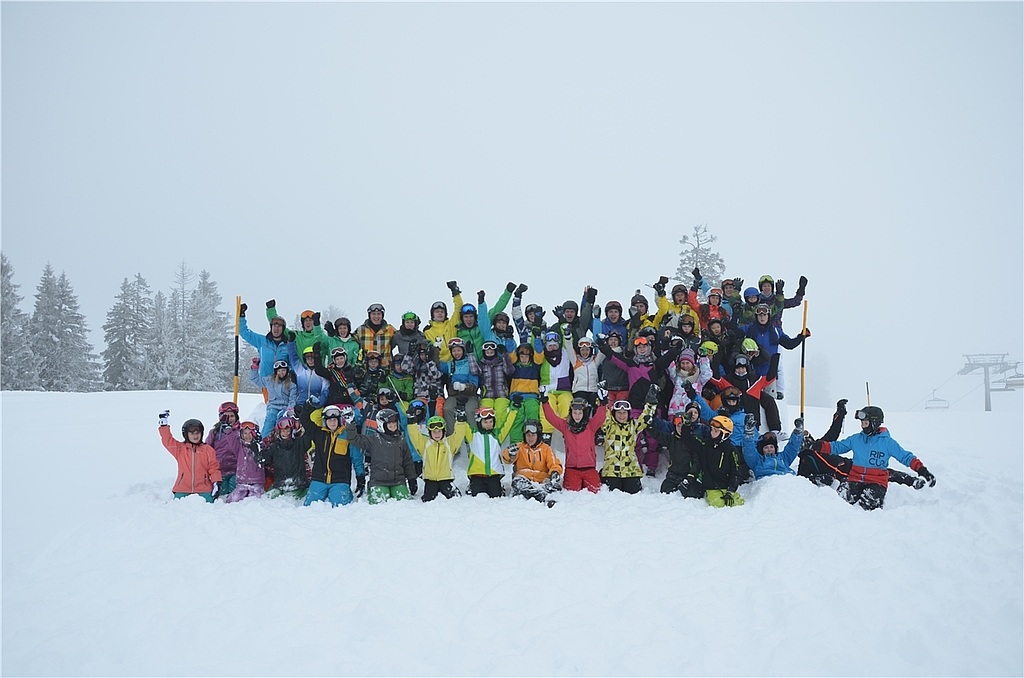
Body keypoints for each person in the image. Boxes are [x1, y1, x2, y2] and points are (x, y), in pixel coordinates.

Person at [811, 405, 936, 510]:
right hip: (855, 479)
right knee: (840, 503)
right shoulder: (856, 439)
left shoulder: (887, 443)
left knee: (864, 508)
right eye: (862, 423)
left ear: (874, 423)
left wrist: (922, 470)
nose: (862, 426)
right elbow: (838, 447)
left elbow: (905, 457)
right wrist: (820, 446)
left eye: (865, 423)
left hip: (877, 483)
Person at [300, 403, 365, 507]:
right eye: (330, 420)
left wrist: (360, 477)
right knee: (309, 507)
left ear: (339, 420)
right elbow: (304, 420)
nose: (332, 422)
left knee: (341, 508)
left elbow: (356, 458)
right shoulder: (319, 433)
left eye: (335, 419)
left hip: (340, 480)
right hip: (319, 479)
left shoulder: (348, 435)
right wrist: (309, 405)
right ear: (325, 421)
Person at [346, 409, 418, 504]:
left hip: (398, 481)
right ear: (382, 425)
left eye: (394, 424)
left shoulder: (401, 440)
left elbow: (407, 461)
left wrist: (411, 478)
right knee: (379, 504)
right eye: (390, 424)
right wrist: (351, 424)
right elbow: (354, 439)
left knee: (405, 503)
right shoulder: (374, 439)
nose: (393, 426)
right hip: (378, 482)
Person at [599, 386, 659, 494]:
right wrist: (603, 401)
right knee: (613, 493)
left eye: (624, 413)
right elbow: (603, 414)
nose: (621, 415)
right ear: (614, 414)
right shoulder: (609, 426)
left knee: (633, 493)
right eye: (619, 413)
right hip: (612, 470)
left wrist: (651, 403)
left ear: (628, 413)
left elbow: (644, 418)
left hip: (630, 470)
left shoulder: (634, 426)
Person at [543, 395, 607, 493]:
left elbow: (600, 417)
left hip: (589, 468)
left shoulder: (591, 425)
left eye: (580, 413)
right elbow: (551, 418)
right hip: (572, 469)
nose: (577, 415)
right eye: (575, 413)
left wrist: (603, 404)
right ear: (571, 412)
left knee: (595, 492)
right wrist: (545, 403)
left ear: (584, 413)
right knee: (571, 494)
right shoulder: (565, 426)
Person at [158, 411, 222, 503]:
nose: (195, 436)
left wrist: (217, 482)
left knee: (207, 510)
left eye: (197, 432)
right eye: (192, 433)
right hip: (182, 489)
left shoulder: (208, 450)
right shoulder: (180, 449)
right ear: (186, 435)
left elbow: (214, 468)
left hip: (203, 489)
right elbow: (167, 440)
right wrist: (164, 425)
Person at [403, 414, 468, 502]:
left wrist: (460, 421)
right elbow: (415, 436)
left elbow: (459, 434)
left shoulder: (450, 443)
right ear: (429, 432)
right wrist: (411, 422)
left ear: (444, 431)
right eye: (434, 432)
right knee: (428, 499)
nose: (436, 434)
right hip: (430, 480)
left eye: (439, 431)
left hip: (446, 479)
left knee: (453, 498)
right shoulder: (424, 444)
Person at [685, 415, 744, 508]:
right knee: (719, 505)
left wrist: (730, 491)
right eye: (712, 429)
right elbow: (689, 440)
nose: (712, 433)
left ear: (725, 434)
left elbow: (736, 473)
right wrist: (686, 425)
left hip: (727, 486)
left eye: (716, 431)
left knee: (739, 505)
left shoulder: (732, 451)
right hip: (711, 487)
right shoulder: (705, 445)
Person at [501, 420, 564, 505]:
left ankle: (531, 492)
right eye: (528, 435)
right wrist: (510, 454)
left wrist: (555, 472)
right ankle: (543, 496)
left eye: (533, 435)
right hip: (524, 478)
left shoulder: (546, 449)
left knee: (555, 487)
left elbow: (554, 463)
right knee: (517, 483)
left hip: (542, 480)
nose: (530, 438)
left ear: (538, 435)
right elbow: (506, 458)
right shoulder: (520, 447)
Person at [464, 403, 519, 498]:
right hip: (477, 475)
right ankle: (471, 486)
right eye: (485, 422)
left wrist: (514, 409)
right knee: (477, 497)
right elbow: (463, 426)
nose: (489, 425)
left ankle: (499, 486)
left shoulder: (497, 435)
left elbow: (507, 424)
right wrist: (461, 417)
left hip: (493, 475)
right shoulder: (472, 435)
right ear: (479, 422)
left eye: (491, 422)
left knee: (496, 496)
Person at [649, 408, 704, 498]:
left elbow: (697, 463)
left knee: (693, 494)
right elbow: (657, 435)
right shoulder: (671, 439)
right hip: (673, 476)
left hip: (688, 476)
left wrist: (690, 477)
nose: (680, 428)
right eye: (678, 425)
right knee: (665, 491)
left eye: (683, 426)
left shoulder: (693, 442)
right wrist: (650, 426)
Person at [258, 415, 310, 497]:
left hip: (298, 485)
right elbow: (265, 459)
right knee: (268, 499)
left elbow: (309, 432)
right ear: (279, 432)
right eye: (283, 431)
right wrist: (257, 447)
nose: (285, 433)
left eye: (288, 431)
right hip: (280, 485)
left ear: (292, 431)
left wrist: (303, 414)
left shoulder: (300, 444)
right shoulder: (274, 446)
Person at [238, 301, 294, 377]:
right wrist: (241, 316)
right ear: (271, 327)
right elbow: (244, 332)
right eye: (274, 326)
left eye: (279, 327)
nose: (276, 329)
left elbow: (293, 364)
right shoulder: (262, 341)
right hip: (266, 383)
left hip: (282, 385)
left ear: (283, 329)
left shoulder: (288, 345)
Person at [740, 415, 804, 479]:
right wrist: (749, 433)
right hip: (768, 483)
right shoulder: (757, 460)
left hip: (786, 480)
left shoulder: (783, 458)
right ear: (762, 449)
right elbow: (748, 450)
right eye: (766, 447)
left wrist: (797, 433)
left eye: (771, 447)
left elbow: (792, 447)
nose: (769, 449)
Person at [440, 337, 481, 435]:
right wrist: (435, 349)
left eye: (459, 350)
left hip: (470, 395)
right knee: (447, 408)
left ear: (463, 350)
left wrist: (464, 387)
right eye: (454, 351)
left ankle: (473, 435)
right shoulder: (450, 365)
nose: (456, 353)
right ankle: (451, 436)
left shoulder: (470, 363)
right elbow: (437, 364)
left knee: (470, 410)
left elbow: (475, 384)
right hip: (454, 395)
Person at [206, 401, 245, 498]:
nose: (229, 419)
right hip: (220, 470)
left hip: (236, 470)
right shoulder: (214, 432)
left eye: (232, 416)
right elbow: (207, 449)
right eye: (226, 416)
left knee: (234, 493)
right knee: (221, 493)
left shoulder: (241, 432)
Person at [249, 357, 298, 434]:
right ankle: (264, 441)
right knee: (270, 421)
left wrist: (290, 409)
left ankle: (280, 440)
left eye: (283, 370)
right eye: (279, 371)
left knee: (281, 422)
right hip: (273, 407)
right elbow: (254, 379)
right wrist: (255, 367)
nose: (281, 373)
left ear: (287, 371)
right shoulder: (270, 380)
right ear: (276, 372)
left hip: (285, 408)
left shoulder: (291, 383)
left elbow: (292, 398)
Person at [423, 281, 465, 363]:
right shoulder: (428, 332)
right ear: (432, 314)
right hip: (438, 365)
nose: (440, 313)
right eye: (437, 311)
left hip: (454, 361)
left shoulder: (451, 325)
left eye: (442, 312)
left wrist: (455, 293)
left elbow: (459, 308)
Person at [224, 421, 266, 503]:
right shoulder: (239, 447)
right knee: (234, 499)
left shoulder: (259, 446)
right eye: (245, 433)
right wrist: (228, 430)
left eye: (250, 433)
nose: (247, 436)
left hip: (256, 481)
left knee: (255, 501)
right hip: (242, 481)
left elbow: (264, 453)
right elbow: (231, 439)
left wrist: (258, 443)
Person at [287, 344, 330, 412]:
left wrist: (318, 404)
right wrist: (290, 342)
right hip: (300, 404)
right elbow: (293, 356)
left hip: (315, 405)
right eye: (308, 358)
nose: (310, 361)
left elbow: (325, 392)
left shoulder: (322, 373)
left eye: (313, 358)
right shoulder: (300, 369)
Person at [355, 303, 396, 368]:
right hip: (366, 368)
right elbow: (350, 341)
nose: (376, 317)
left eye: (379, 314)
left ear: (382, 315)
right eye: (373, 314)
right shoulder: (361, 330)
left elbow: (401, 337)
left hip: (385, 367)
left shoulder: (389, 329)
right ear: (369, 315)